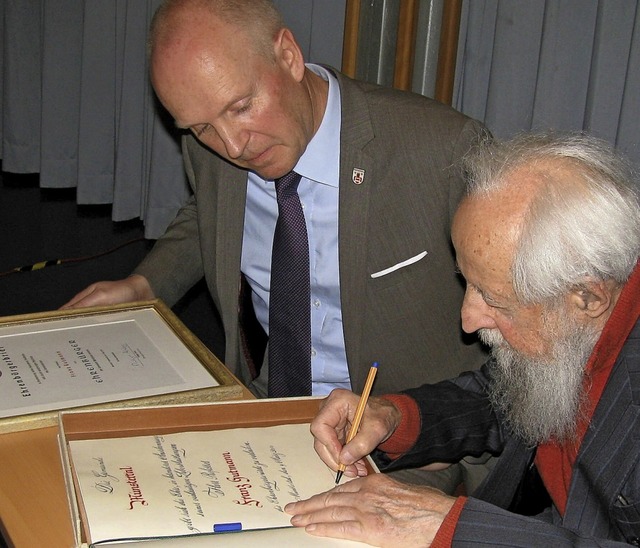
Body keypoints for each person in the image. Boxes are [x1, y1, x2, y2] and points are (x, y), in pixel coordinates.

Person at [62, 0, 487, 402]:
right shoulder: (208, 148)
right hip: (263, 402)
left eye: (242, 107)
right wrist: (145, 285)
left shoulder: (444, 152)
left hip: (403, 429)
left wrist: (432, 428)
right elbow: (207, 215)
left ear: (288, 56)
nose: (232, 145)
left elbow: (525, 328)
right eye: (200, 127)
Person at [285, 132, 640, 546]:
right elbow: (507, 397)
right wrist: (397, 418)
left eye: (493, 299)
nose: (468, 320)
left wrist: (452, 528)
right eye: (468, 284)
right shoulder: (575, 321)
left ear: (587, 297)